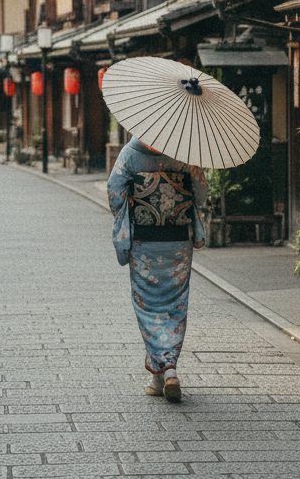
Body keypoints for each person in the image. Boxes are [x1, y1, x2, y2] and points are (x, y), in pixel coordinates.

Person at [106, 137, 207, 403]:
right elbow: (201, 195)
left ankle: (164, 371)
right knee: (175, 303)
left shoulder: (130, 153)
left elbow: (114, 192)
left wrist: (133, 205)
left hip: (144, 240)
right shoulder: (185, 149)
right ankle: (165, 371)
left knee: (148, 304)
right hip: (178, 242)